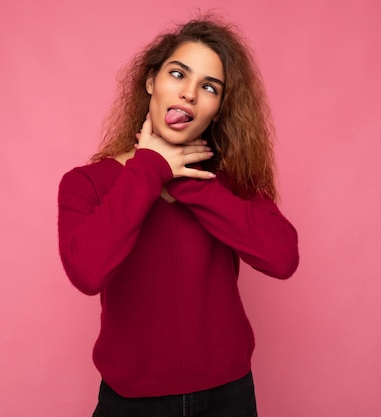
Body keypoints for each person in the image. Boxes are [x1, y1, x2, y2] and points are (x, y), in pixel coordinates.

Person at [58, 15, 299, 417]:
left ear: (218, 109)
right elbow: (87, 272)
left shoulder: (232, 183)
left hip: (230, 395)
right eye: (177, 74)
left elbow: (282, 257)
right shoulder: (86, 184)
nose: (189, 93)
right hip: (132, 403)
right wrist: (149, 168)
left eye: (208, 87)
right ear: (151, 81)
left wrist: (188, 182)